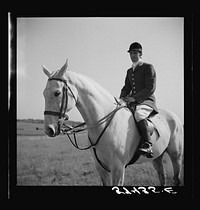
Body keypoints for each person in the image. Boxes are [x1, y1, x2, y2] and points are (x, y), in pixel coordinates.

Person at [120, 42, 158, 158]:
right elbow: (127, 87)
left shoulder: (148, 67)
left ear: (140, 54)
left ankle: (148, 145)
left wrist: (134, 98)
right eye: (131, 53)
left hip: (146, 101)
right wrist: (121, 98)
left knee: (139, 114)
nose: (132, 55)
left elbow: (150, 88)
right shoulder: (129, 71)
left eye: (135, 53)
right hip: (133, 102)